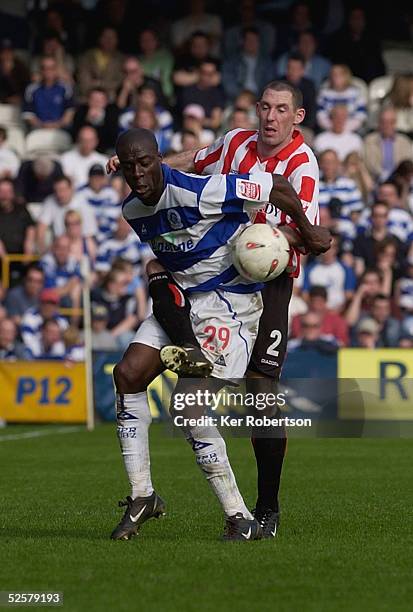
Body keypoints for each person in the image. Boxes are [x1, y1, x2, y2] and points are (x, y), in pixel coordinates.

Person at [107, 81, 330, 538]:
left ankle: (266, 507)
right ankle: (169, 495)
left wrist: (290, 238)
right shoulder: (234, 141)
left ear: (297, 117)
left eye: (281, 109)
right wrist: (145, 168)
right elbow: (191, 161)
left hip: (266, 279)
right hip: (213, 274)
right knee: (156, 278)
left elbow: (293, 228)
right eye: (265, 107)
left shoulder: (302, 165)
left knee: (261, 391)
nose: (270, 117)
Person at [22, 56, 74, 130]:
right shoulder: (31, 89)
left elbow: (70, 112)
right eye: (45, 68)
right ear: (40, 70)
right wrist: (43, 126)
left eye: (51, 68)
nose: (48, 71)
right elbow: (28, 115)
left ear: (56, 70)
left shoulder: (65, 88)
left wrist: (57, 125)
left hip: (61, 129)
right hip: (38, 129)